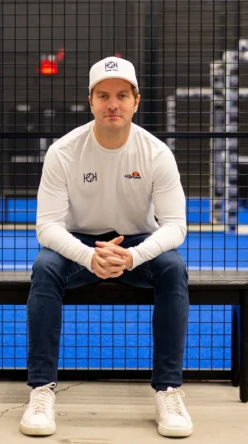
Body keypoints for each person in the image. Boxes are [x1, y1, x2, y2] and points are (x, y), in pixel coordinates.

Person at [19, 56, 192, 438]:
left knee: (173, 269)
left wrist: (132, 256)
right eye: (103, 96)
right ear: (91, 101)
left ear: (136, 101)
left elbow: (175, 225)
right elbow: (47, 226)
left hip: (138, 244)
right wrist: (88, 256)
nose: (113, 104)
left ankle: (168, 390)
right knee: (45, 267)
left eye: (121, 95)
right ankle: (41, 389)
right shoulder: (64, 151)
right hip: (79, 243)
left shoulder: (156, 153)